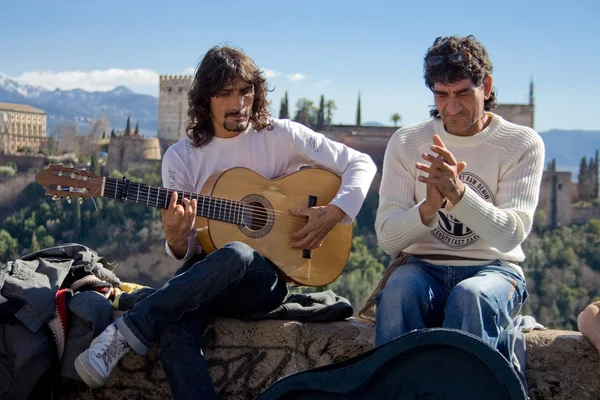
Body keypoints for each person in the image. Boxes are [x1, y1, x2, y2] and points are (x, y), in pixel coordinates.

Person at [74, 45, 376, 399]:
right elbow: (184, 247)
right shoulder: (181, 157)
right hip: (202, 274)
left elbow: (361, 163)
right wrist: (175, 237)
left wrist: (334, 212)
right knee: (175, 333)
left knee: (239, 254)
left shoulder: (281, 135)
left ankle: (128, 328)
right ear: (206, 100)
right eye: (226, 94)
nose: (239, 104)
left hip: (263, 279)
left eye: (246, 91)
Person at [371, 35, 545, 353]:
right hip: (420, 267)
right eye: (442, 95)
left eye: (463, 93)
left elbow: (510, 236)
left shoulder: (521, 142)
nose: (452, 108)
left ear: (487, 86)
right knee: (398, 292)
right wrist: (428, 209)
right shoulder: (407, 141)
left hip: (495, 270)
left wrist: (459, 194)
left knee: (471, 297)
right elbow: (387, 238)